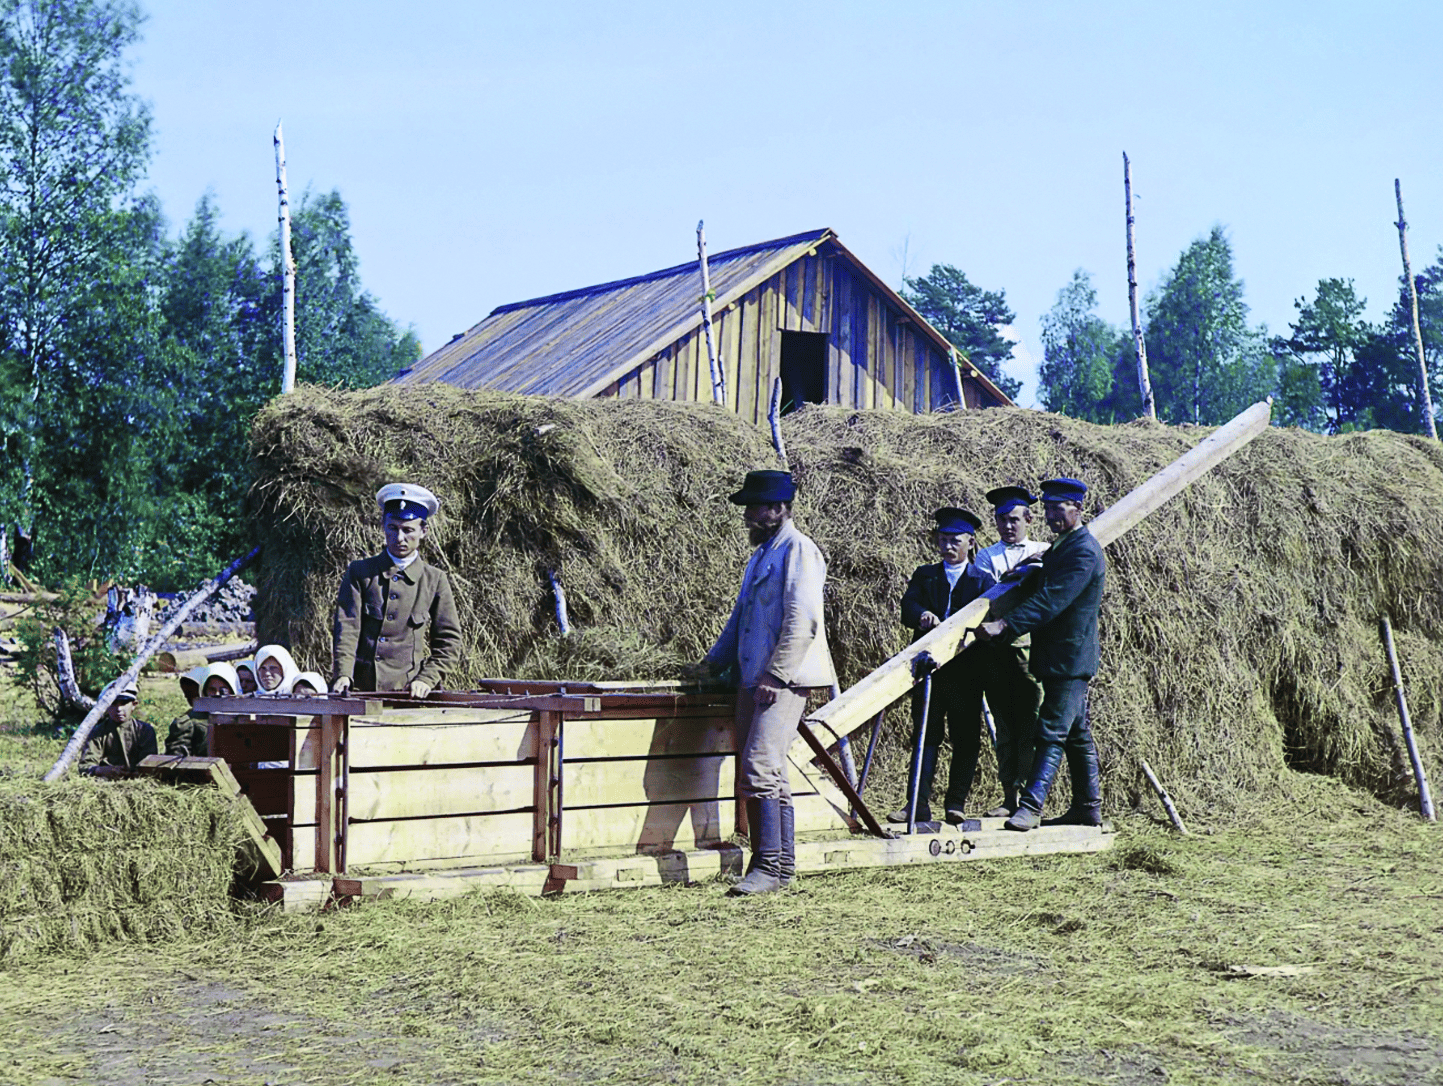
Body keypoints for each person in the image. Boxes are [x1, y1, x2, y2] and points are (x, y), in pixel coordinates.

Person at [699, 469, 835, 896]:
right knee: (766, 771)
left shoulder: (800, 551)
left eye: (755, 509)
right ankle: (783, 869)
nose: (748, 517)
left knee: (759, 766)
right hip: (752, 675)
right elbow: (739, 620)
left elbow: (803, 619)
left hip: (781, 679)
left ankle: (766, 868)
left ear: (777, 510)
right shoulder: (762, 556)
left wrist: (777, 674)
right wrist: (708, 665)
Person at [977, 477, 1106, 831]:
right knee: (1076, 732)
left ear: (1078, 509)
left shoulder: (1082, 550)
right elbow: (1048, 580)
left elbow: (1053, 600)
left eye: (1058, 508)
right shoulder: (1062, 547)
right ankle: (1087, 807)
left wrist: (1005, 625)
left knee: (1050, 730)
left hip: (1069, 658)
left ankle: (1030, 807)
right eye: (1047, 509)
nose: (1052, 515)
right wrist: (1034, 566)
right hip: (1059, 656)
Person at [892, 507, 990, 825]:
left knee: (965, 737)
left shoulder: (983, 582)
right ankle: (917, 804)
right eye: (943, 540)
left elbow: (987, 624)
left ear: (970, 543)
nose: (948, 546)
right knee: (925, 735)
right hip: (928, 671)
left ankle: (956, 803)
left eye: (955, 541)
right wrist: (920, 614)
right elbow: (908, 606)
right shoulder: (925, 575)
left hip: (966, 672)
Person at [332, 483, 462, 699]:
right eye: (393, 528)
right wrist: (344, 675)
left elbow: (449, 642)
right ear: (383, 526)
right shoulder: (361, 573)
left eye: (408, 530)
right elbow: (347, 629)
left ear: (423, 531)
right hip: (361, 691)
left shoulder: (434, 580)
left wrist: (426, 679)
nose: (399, 538)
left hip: (410, 693)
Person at [968, 486, 1048, 817]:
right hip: (997, 652)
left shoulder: (1044, 550)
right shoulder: (987, 556)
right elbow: (990, 593)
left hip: (1030, 650)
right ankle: (1008, 796)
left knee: (1032, 722)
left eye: (1014, 519)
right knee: (1005, 726)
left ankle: (1033, 798)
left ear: (1028, 519)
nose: (1008, 527)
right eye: (1002, 520)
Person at [79, 679, 158, 777]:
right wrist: (103, 770)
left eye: (124, 703)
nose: (118, 709)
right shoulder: (98, 732)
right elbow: (85, 766)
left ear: (134, 705)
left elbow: (150, 765)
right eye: (113, 703)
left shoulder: (145, 731)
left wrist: (135, 774)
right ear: (107, 706)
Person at [164, 665, 210, 757]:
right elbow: (176, 754)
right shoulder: (186, 722)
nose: (187, 697)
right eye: (187, 693)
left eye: (193, 692)